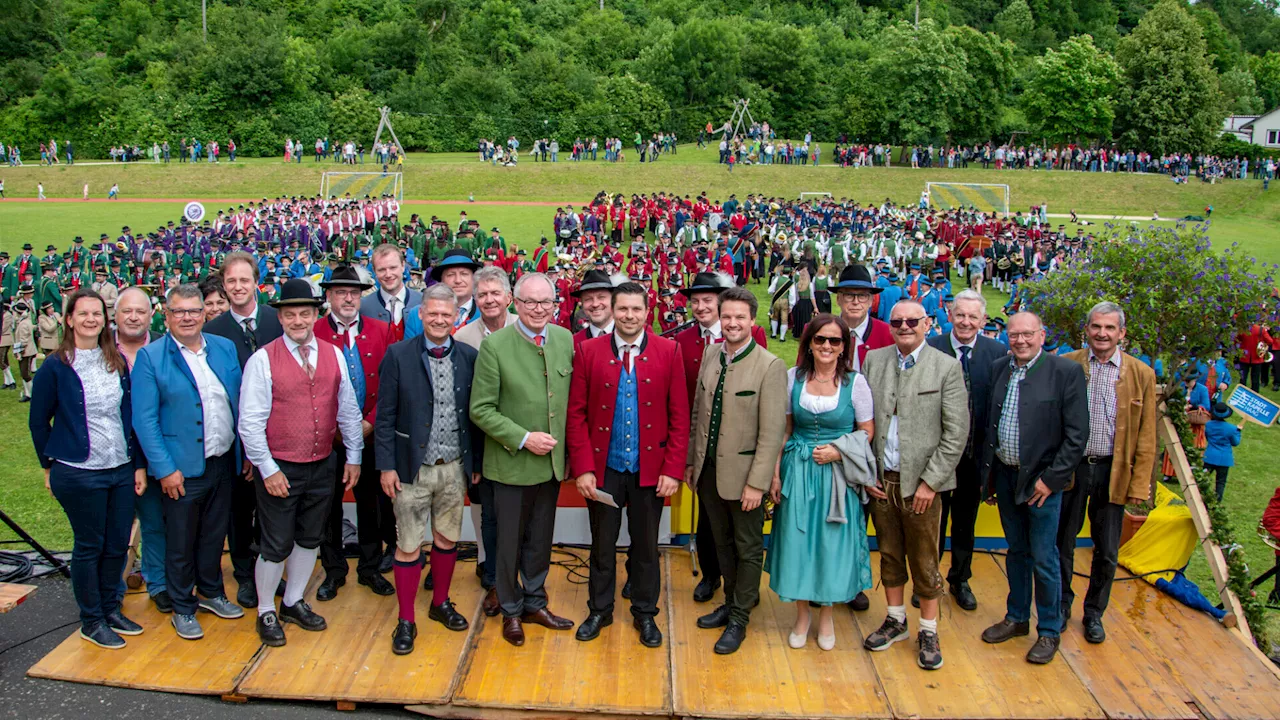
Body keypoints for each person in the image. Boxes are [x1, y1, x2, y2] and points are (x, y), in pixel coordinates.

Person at [238, 278, 364, 647]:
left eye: (304, 313)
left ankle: (293, 601)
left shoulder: (333, 353)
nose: (297, 320)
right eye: (290, 314)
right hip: (281, 465)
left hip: (322, 462)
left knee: (310, 538)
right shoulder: (263, 359)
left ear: (315, 315)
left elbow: (347, 409)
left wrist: (353, 456)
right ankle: (265, 609)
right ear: (280, 319)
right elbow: (250, 422)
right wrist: (268, 469)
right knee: (276, 544)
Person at [567, 282, 689, 648]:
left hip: (649, 472)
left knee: (647, 547)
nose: (629, 316)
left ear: (647, 312)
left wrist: (671, 469)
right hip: (605, 469)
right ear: (612, 310)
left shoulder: (669, 351)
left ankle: (645, 613)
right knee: (601, 546)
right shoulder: (588, 350)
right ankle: (599, 610)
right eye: (623, 310)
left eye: (636, 310)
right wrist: (585, 468)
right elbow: (576, 415)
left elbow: (679, 417)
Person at [29, 289, 147, 649]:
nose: (92, 320)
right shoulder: (55, 365)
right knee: (90, 545)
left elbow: (129, 418)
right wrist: (48, 466)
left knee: (116, 545)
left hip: (120, 467)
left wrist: (138, 465)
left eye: (98, 314)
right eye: (84, 314)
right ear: (69, 319)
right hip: (80, 470)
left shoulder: (115, 360)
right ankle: (91, 619)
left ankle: (110, 608)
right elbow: (38, 422)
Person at [130, 284, 245, 640]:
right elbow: (144, 420)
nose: (187, 318)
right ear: (166, 315)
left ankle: (210, 591)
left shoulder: (223, 348)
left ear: (204, 313)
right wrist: (164, 468)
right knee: (180, 540)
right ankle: (183, 605)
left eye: (194, 311)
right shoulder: (152, 357)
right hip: (180, 468)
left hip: (223, 460)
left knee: (213, 534)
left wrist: (247, 453)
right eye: (179, 311)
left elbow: (239, 401)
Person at [860, 300, 968, 671]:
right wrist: (866, 473)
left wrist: (930, 483)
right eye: (897, 321)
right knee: (888, 552)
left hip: (922, 485)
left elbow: (956, 433)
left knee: (925, 558)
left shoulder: (946, 367)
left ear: (927, 324)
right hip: (880, 480)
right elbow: (864, 420)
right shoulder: (875, 360)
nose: (904, 326)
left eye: (912, 321)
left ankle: (928, 628)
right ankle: (895, 620)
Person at [470, 272, 576, 646]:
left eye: (545, 302)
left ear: (554, 303)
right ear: (515, 301)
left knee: (540, 541)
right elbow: (480, 409)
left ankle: (534, 602)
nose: (538, 309)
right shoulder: (496, 346)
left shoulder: (564, 339)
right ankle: (511, 610)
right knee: (508, 544)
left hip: (550, 466)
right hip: (511, 466)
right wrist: (524, 437)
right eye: (530, 302)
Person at [376, 284, 483, 655]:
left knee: (448, 538)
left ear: (456, 317)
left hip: (454, 466)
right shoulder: (398, 354)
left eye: (446, 314)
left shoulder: (469, 356)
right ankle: (406, 619)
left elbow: (476, 416)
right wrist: (386, 466)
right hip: (410, 468)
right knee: (407, 545)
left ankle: (440, 602)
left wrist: (476, 465)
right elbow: (385, 415)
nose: (439, 320)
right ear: (420, 315)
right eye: (432, 313)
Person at [979, 312, 1088, 665]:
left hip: (1042, 483)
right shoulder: (1001, 367)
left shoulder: (1065, 372)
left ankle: (1050, 630)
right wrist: (992, 477)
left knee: (1044, 557)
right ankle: (1017, 617)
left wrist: (1051, 480)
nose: (1020, 341)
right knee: (1017, 551)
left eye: (1028, 334)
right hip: (1007, 476)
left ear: (1042, 335)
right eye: (1014, 335)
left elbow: (1076, 435)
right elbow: (990, 424)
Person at [686, 286, 787, 655]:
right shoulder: (711, 353)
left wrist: (758, 483)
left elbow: (772, 431)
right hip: (710, 472)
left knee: (747, 548)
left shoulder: (770, 366)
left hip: (746, 478)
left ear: (752, 321)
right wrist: (692, 463)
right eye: (726, 316)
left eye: (739, 317)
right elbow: (699, 412)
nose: (731, 323)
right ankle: (730, 601)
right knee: (721, 543)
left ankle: (741, 617)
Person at [766, 314, 874, 651]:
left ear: (844, 347)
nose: (827, 346)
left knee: (831, 545)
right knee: (798, 542)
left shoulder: (856, 383)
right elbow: (784, 430)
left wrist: (839, 452)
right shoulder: (792, 378)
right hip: (798, 468)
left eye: (835, 341)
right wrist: (774, 472)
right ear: (809, 344)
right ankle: (802, 615)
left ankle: (826, 615)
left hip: (836, 477)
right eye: (820, 340)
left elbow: (866, 431)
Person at [1058, 302, 1157, 644]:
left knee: (1108, 549)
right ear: (1086, 329)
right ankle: (1060, 606)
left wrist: (1139, 485)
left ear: (1122, 334)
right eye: (1096, 327)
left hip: (1112, 471)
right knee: (1062, 542)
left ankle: (1094, 613)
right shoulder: (1067, 364)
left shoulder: (1140, 373)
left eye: (1109, 328)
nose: (1102, 333)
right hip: (1071, 470)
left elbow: (1146, 435)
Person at [672, 271, 767, 604]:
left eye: (707, 301)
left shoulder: (754, 341)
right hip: (701, 446)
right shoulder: (683, 341)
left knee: (740, 534)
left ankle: (740, 597)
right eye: (694, 301)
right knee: (709, 523)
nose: (700, 307)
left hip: (738, 451)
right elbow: (688, 402)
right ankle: (713, 577)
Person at [205, 252, 284, 609]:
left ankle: (271, 568)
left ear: (257, 283)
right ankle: (244, 573)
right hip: (235, 441)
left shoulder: (277, 320)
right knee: (238, 511)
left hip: (278, 434)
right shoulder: (213, 330)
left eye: (244, 280)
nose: (238, 287)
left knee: (272, 510)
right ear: (224, 285)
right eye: (231, 281)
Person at [314, 265, 397, 601]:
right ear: (329, 296)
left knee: (372, 504)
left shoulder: (382, 330)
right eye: (339, 292)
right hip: (328, 437)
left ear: (361, 296)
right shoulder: (315, 330)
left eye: (353, 292)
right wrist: (334, 428)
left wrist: (371, 422)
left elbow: (393, 383)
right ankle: (334, 570)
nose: (347, 298)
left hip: (370, 433)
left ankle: (370, 567)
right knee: (327, 505)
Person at [925, 289, 1005, 611]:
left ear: (983, 320)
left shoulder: (997, 353)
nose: (966, 322)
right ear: (950, 314)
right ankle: (928, 580)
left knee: (964, 522)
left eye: (973, 317)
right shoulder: (930, 348)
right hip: (935, 456)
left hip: (974, 458)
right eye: (961, 315)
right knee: (933, 522)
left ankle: (960, 578)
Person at [453, 266, 518, 616]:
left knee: (521, 515)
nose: (490, 300)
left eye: (496, 293)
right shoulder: (463, 338)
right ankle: (494, 577)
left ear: (509, 297)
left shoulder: (529, 330)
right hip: (483, 444)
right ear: (474, 299)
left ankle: (517, 577)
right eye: (483, 295)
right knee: (490, 515)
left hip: (524, 442)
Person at [408, 249, 481, 338]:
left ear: (474, 279)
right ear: (441, 280)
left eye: (464, 274)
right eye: (450, 275)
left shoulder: (486, 313)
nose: (458, 280)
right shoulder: (417, 314)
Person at [360, 244, 421, 341]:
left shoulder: (423, 302)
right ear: (374, 271)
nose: (388, 274)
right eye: (381, 270)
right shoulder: (363, 307)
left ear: (403, 266)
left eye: (393, 268)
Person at [1203, 402, 1243, 502]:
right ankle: (1216, 503)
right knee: (1220, 482)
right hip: (1224, 459)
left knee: (1203, 479)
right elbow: (1235, 443)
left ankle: (1198, 497)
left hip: (1210, 457)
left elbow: (1207, 437)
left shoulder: (1208, 425)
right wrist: (1238, 432)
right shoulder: (1232, 428)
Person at [571, 269, 618, 345]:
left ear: (613, 299)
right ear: (582, 303)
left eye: (601, 297)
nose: (595, 304)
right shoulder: (574, 343)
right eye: (588, 299)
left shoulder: (631, 337)